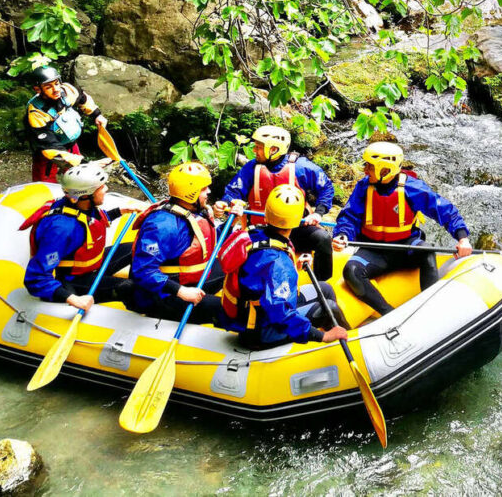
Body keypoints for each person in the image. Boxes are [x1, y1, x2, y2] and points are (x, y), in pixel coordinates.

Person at [332, 142, 472, 317]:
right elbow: (349, 216)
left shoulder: (412, 188)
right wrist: (342, 234)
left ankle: (432, 309)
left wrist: (462, 238)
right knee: (351, 271)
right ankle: (389, 314)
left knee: (426, 251)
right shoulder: (363, 187)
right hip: (373, 250)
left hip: (405, 248)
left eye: (369, 166)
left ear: (385, 169)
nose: (365, 170)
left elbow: (444, 210)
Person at [217, 184, 349, 349]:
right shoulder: (277, 261)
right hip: (262, 331)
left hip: (259, 310)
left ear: (267, 214)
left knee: (325, 288)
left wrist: (297, 266)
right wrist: (323, 336)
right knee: (329, 307)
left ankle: (331, 333)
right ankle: (345, 337)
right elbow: (280, 313)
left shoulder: (257, 233)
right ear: (296, 220)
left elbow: (260, 272)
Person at [220, 125, 336, 280]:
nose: (254, 151)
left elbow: (326, 187)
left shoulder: (301, 167)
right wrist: (228, 203)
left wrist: (318, 213)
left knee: (323, 239)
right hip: (261, 230)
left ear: (273, 149)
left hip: (295, 229)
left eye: (259, 147)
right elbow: (233, 191)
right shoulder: (251, 168)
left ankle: (323, 282)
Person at [21, 161, 132, 309]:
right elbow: (36, 277)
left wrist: (120, 211)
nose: (106, 189)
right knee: (129, 287)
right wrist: (74, 299)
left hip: (93, 266)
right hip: (74, 280)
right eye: (100, 187)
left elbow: (90, 220)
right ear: (85, 196)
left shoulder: (80, 204)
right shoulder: (60, 230)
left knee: (136, 247)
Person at [123, 162, 224, 324]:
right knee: (226, 309)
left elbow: (211, 242)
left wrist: (231, 224)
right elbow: (143, 271)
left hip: (186, 279)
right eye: (204, 189)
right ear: (190, 192)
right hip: (160, 295)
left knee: (231, 267)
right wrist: (182, 292)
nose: (209, 192)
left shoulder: (195, 211)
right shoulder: (162, 225)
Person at [25, 66, 106, 183]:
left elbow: (82, 98)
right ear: (38, 89)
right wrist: (79, 161)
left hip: (71, 145)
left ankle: (77, 198)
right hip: (47, 153)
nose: (56, 89)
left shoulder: (66, 91)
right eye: (49, 87)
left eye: (57, 83)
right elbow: (49, 146)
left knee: (81, 178)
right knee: (44, 184)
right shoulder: (36, 112)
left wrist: (97, 114)